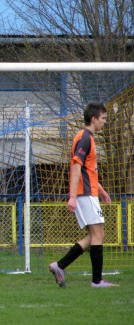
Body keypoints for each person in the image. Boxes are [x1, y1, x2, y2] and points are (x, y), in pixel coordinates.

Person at [49, 102, 119, 288]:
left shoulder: (87, 137)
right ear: (94, 118)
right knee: (98, 235)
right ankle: (97, 281)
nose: (104, 122)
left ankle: (60, 265)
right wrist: (72, 196)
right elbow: (76, 168)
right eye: (103, 118)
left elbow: (89, 170)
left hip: (89, 192)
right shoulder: (85, 138)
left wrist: (102, 191)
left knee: (95, 236)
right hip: (84, 194)